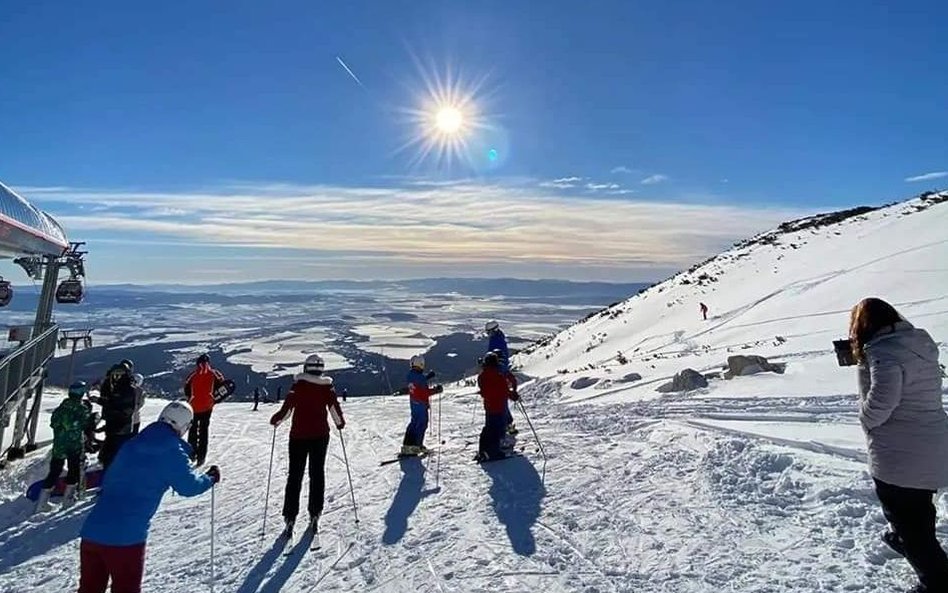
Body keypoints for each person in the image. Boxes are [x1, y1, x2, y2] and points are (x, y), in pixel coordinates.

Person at [849, 297, 948, 593]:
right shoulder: (917, 344)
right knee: (917, 512)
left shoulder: (884, 353)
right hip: (933, 443)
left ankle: (935, 581)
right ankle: (912, 545)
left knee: (908, 522)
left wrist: (865, 419)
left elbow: (882, 402)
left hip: (901, 456)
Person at [78, 401, 219, 593]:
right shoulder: (172, 451)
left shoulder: (132, 443)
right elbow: (189, 486)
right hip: (126, 538)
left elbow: (109, 478)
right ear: (185, 426)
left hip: (92, 532)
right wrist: (209, 478)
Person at [270, 354, 345, 537]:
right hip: (320, 436)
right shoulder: (327, 387)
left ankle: (290, 515)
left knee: (294, 475)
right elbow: (334, 409)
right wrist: (339, 423)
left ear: (306, 368)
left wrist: (276, 420)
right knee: (317, 473)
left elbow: (287, 410)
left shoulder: (299, 386)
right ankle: (315, 512)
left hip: (298, 437)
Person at [35, 382, 92, 513]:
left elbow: (53, 424)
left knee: (54, 471)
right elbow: (84, 424)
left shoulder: (60, 409)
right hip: (74, 445)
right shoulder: (82, 409)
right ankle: (68, 498)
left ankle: (42, 502)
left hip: (59, 445)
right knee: (73, 470)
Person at [476, 352, 519, 462]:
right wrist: (512, 394)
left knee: (488, 428)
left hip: (489, 406)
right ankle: (494, 453)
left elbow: (486, 390)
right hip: (499, 406)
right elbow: (503, 390)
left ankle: (483, 450)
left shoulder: (482, 376)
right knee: (497, 430)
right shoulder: (498, 376)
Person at [183, 353, 224, 466]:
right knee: (203, 431)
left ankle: (191, 454)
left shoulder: (193, 375)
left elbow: (186, 389)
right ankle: (202, 456)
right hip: (207, 406)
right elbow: (223, 386)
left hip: (193, 407)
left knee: (193, 430)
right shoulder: (214, 373)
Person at [98, 361, 138, 471]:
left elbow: (124, 408)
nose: (117, 376)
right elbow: (109, 399)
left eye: (120, 373)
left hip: (121, 426)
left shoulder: (127, 388)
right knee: (110, 449)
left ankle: (114, 471)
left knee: (116, 451)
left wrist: (105, 403)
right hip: (114, 424)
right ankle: (108, 467)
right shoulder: (113, 385)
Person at [401, 355, 441, 456]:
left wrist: (427, 377)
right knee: (422, 424)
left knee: (414, 423)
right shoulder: (420, 378)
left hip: (414, 403)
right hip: (421, 404)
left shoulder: (410, 375)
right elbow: (424, 392)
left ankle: (407, 444)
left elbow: (417, 381)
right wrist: (436, 390)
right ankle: (417, 446)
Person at [485, 320, 517, 435]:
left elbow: (500, 358)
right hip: (498, 371)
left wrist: (492, 365)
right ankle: (507, 423)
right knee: (500, 400)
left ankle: (505, 425)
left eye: (489, 332)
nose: (488, 334)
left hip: (498, 372)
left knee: (499, 400)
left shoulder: (497, 340)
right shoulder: (497, 339)